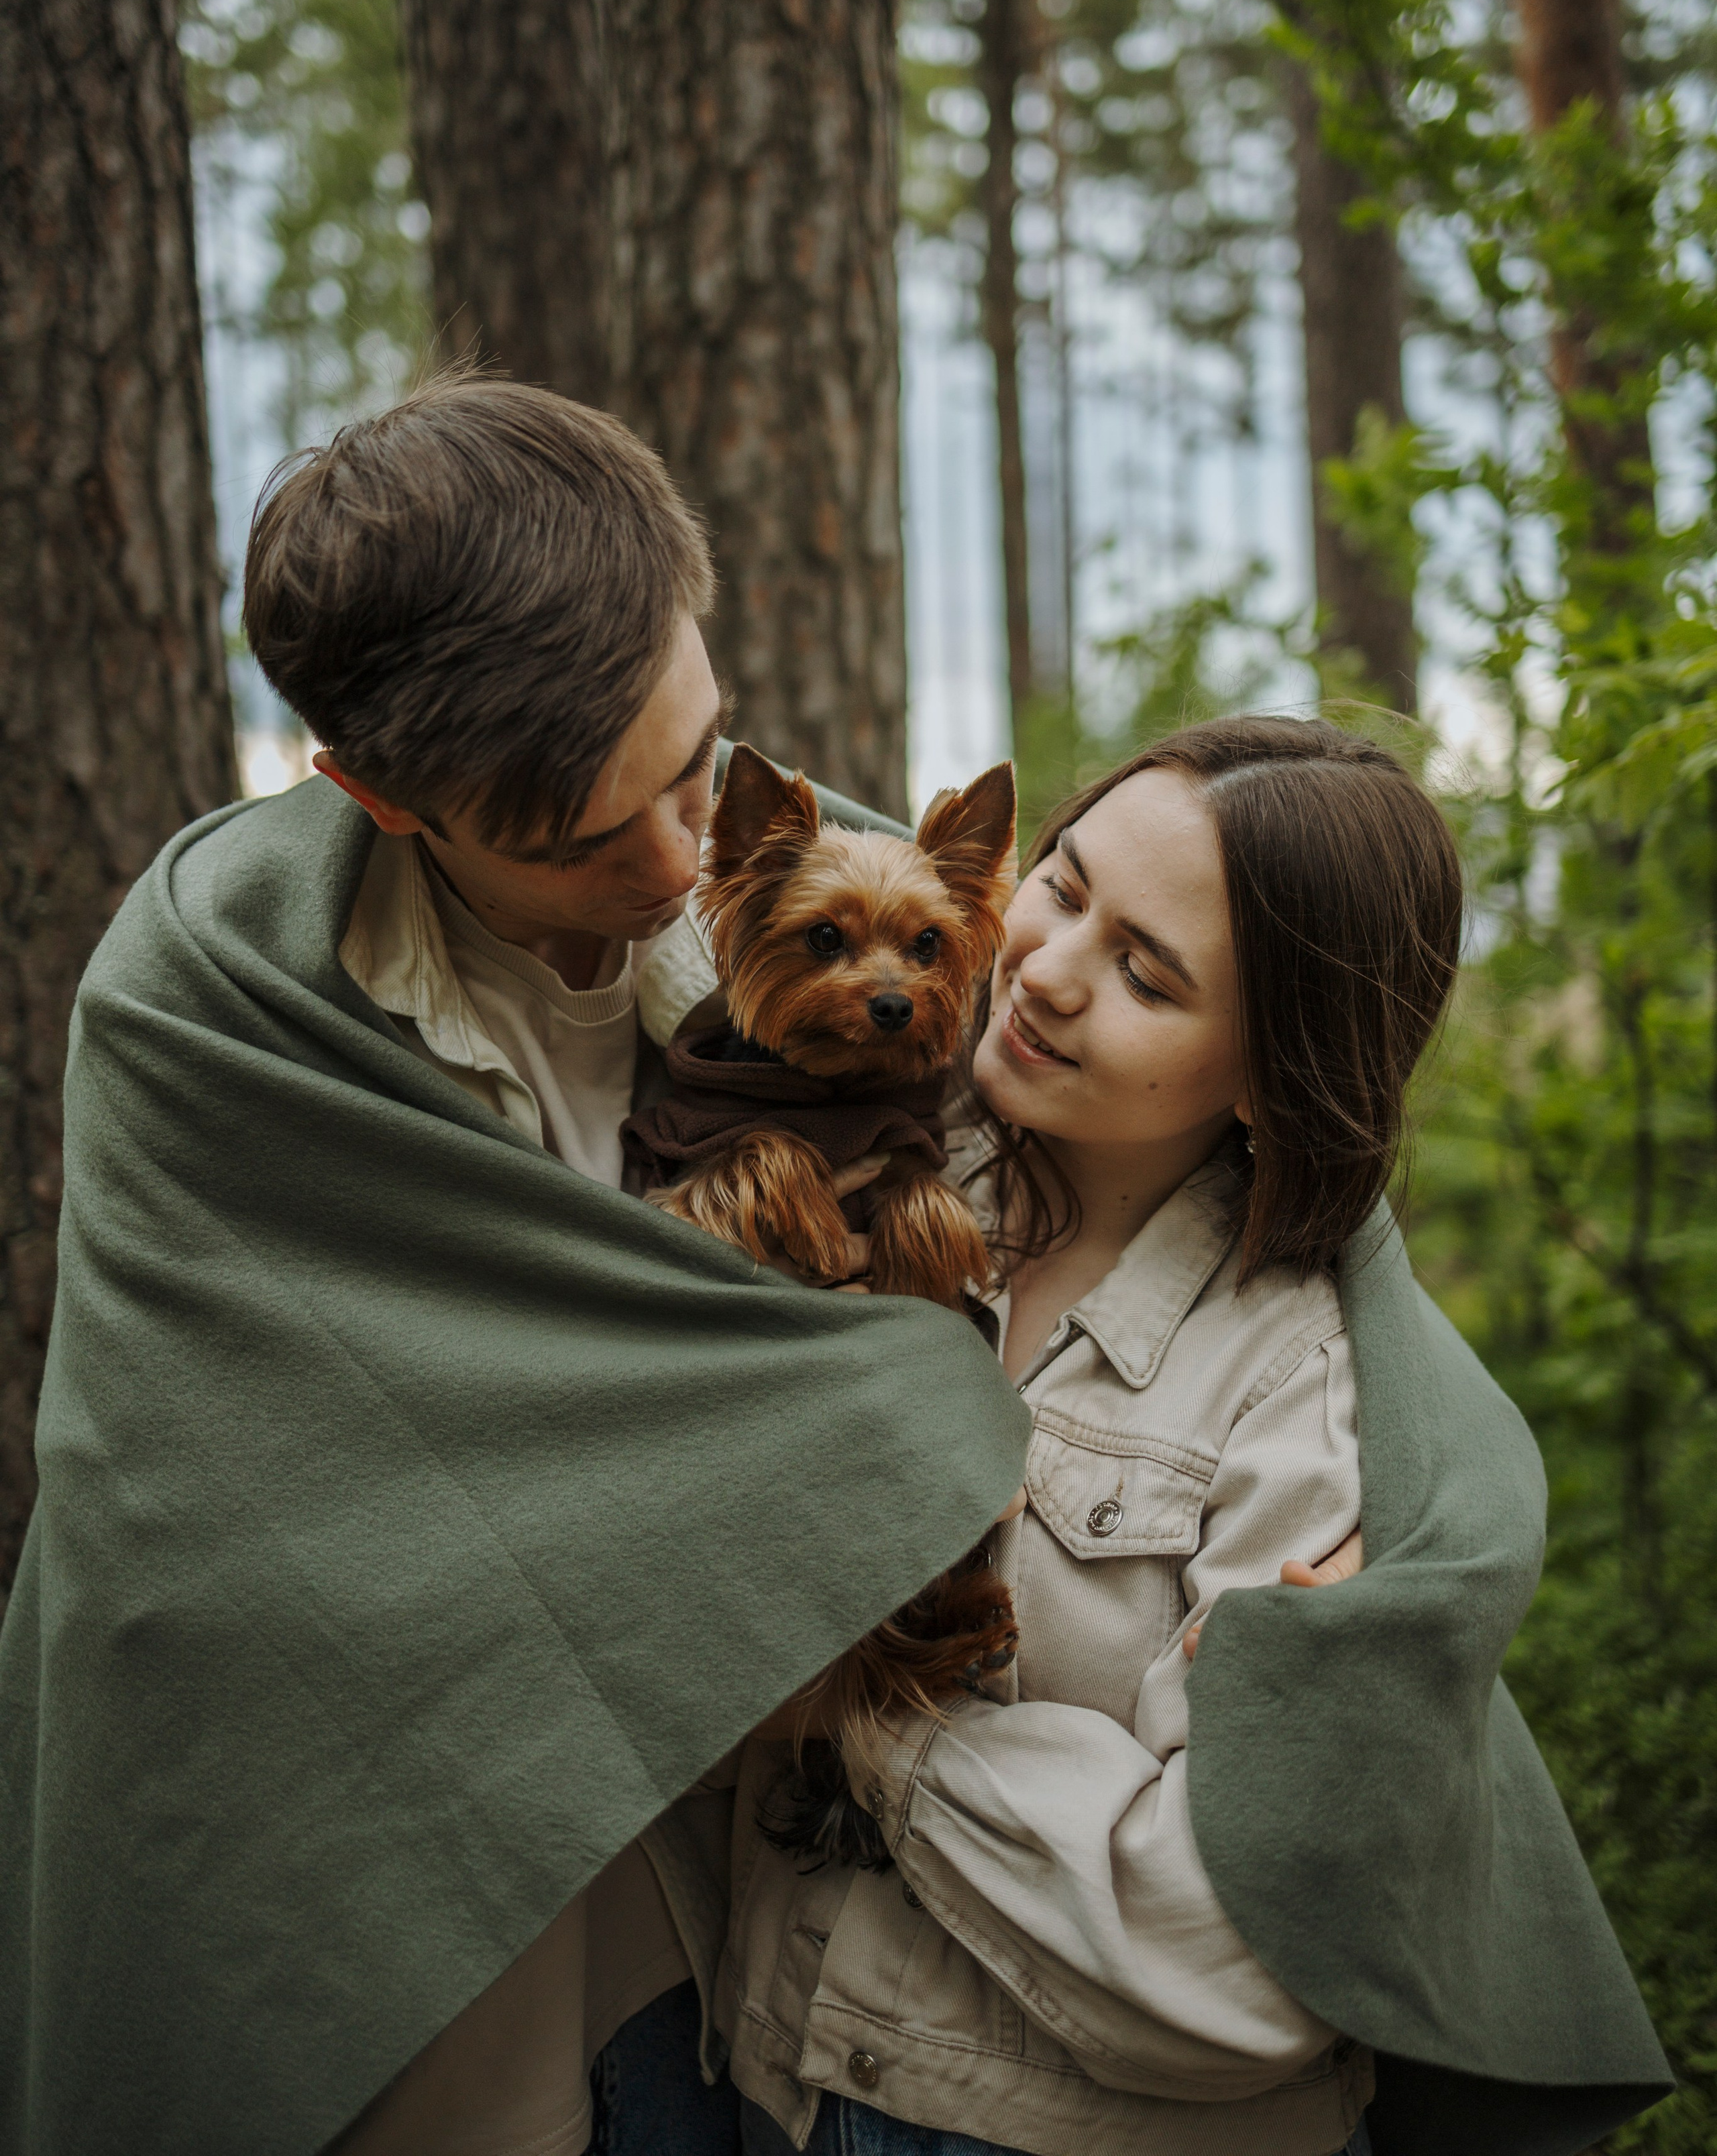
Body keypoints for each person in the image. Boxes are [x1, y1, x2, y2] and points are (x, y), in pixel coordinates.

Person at [0, 374, 1028, 2156]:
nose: (677, 859)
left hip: (770, 1882)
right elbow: (185, 1535)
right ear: (372, 793)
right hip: (433, 1901)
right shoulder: (211, 1011)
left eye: (693, 765)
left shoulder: (813, 884)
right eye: (580, 838)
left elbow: (1190, 1155)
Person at [716, 720, 1673, 2156]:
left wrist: (856, 1715)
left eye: (1145, 975)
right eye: (1061, 885)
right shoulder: (863, 1164)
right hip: (758, 2083)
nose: (1044, 970)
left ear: (1266, 1071)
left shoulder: (1304, 1400)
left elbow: (1227, 1965)